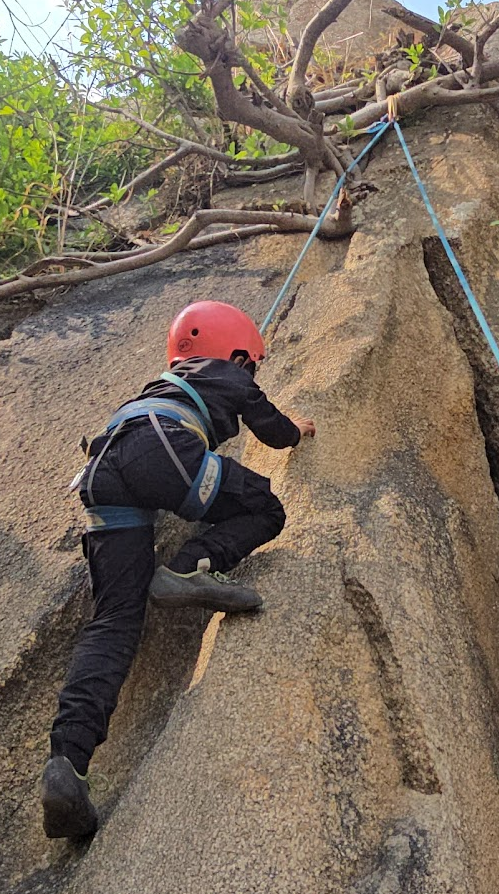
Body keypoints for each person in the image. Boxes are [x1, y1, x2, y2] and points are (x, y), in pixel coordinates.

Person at [42, 300, 315, 840]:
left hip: (103, 470)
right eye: (250, 364)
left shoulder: (152, 388)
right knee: (267, 508)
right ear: (236, 352)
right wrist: (298, 430)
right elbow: (275, 432)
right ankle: (190, 568)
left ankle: (66, 764)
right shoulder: (224, 372)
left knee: (114, 622)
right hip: (161, 447)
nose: (249, 373)